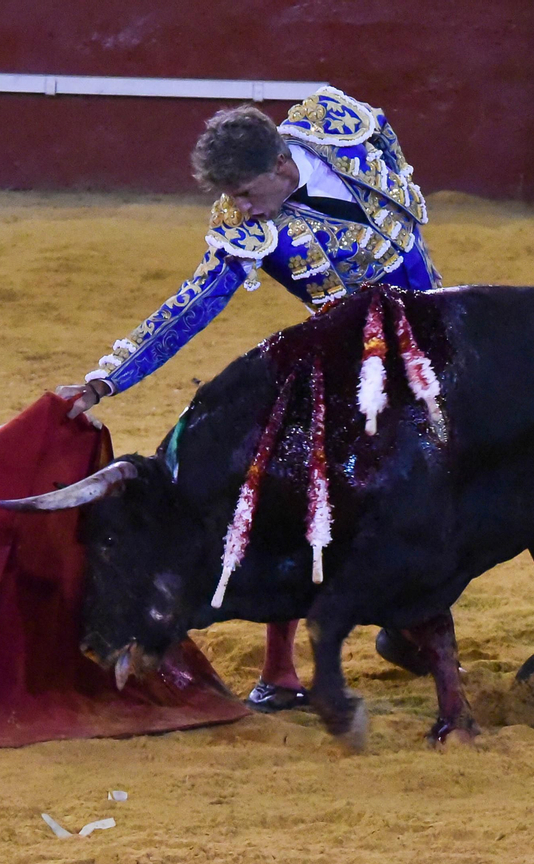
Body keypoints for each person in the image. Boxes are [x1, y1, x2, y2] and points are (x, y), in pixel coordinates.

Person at [55, 85, 441, 711]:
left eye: (244, 192)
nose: (237, 207)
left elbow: (389, 151)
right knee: (295, 491)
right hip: (349, 357)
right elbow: (193, 304)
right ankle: (280, 670)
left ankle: (409, 624)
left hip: (438, 333)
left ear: (282, 164)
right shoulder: (247, 227)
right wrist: (107, 379)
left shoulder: (341, 125)